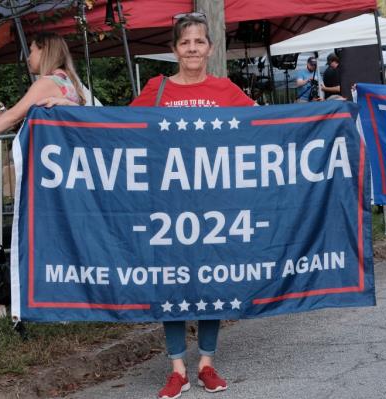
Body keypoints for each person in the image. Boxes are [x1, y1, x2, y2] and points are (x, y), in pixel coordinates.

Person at [130, 12, 254, 399]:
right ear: (174, 50)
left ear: (210, 48)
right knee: (172, 284)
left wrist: (324, 114)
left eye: (199, 41)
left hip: (214, 205)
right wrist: (62, 113)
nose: (192, 48)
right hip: (167, 205)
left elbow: (268, 124)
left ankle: (206, 364)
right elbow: (117, 128)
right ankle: (177, 369)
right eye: (185, 43)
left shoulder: (226, 90)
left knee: (211, 281)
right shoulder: (158, 87)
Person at [0, 32, 85, 139]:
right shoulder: (67, 81)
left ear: (44, 51)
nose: (28, 58)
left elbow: (13, 116)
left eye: (31, 51)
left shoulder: (48, 83)